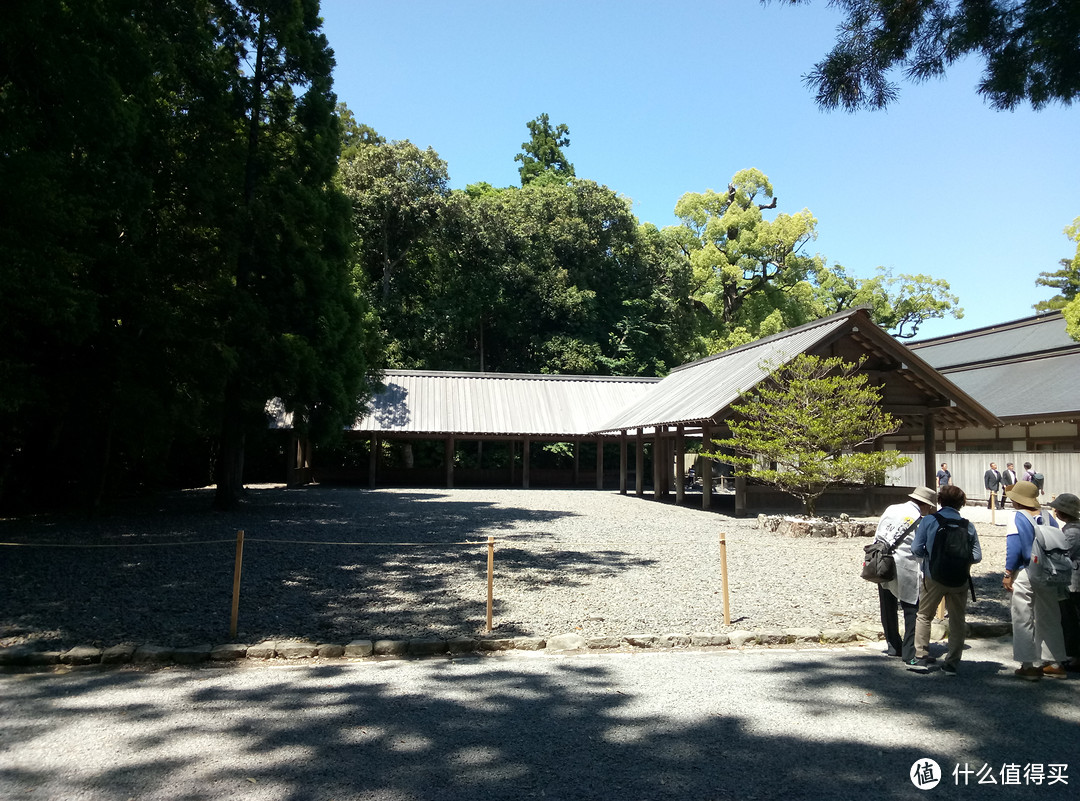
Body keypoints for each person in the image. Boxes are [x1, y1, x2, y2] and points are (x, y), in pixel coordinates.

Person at [909, 484, 982, 675]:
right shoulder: (968, 525)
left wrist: (931, 556)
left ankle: (920, 657)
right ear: (961, 503)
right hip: (959, 578)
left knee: (924, 615)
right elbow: (976, 556)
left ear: (940, 500)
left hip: (934, 576)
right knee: (957, 620)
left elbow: (916, 548)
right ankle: (952, 663)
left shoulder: (929, 521)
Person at [1003, 480, 1068, 680]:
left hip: (1027, 570)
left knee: (1023, 616)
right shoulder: (1049, 517)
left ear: (1017, 500)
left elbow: (1014, 549)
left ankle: (1028, 664)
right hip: (1050, 571)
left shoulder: (1017, 517)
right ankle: (1055, 663)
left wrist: (1007, 574)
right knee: (1050, 616)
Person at [874, 487, 937, 662]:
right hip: (906, 565)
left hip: (882, 561)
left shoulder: (891, 509)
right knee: (912, 608)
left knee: (887, 605)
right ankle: (911, 652)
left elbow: (879, 534)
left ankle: (893, 645)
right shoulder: (920, 519)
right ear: (925, 505)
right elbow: (919, 547)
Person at [1049, 493, 1080, 672]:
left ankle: (1075, 657)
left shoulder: (1071, 531)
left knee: (1072, 619)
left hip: (1074, 581)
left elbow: (1065, 555)